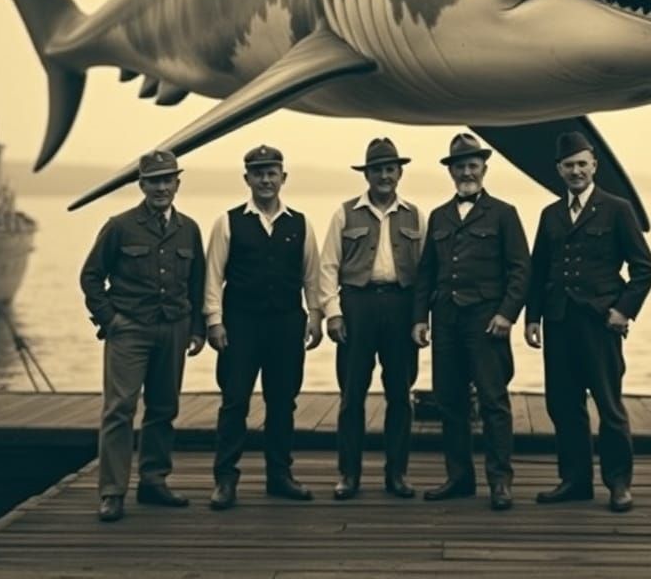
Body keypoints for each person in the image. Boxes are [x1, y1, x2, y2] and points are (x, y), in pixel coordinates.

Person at [525, 131, 651, 513]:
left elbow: (644, 269)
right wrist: (532, 317)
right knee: (563, 405)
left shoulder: (618, 209)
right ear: (558, 171)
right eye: (569, 166)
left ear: (594, 166)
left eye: (582, 164)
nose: (576, 171)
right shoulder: (550, 214)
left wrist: (623, 310)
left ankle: (618, 483)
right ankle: (575, 480)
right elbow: (539, 271)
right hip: (558, 321)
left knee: (609, 405)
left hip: (600, 323)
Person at [80, 149, 206, 523]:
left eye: (168, 180)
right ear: (142, 184)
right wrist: (110, 319)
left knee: (164, 407)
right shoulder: (119, 226)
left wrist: (197, 328)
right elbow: (90, 276)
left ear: (177, 183)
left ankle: (153, 480)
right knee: (119, 409)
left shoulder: (189, 229)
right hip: (129, 329)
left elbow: (197, 282)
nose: (162, 187)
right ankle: (112, 492)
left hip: (174, 328)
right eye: (154, 181)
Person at [413, 133, 531, 511]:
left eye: (473, 165)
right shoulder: (439, 216)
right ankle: (459, 478)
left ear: (484, 168)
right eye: (460, 166)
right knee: (450, 402)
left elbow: (520, 270)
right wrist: (420, 319)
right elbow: (426, 273)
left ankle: (500, 482)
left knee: (494, 402)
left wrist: (507, 314)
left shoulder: (504, 213)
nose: (467, 171)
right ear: (451, 172)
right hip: (445, 321)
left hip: (486, 322)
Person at [205, 144, 324, 509]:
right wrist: (214, 321)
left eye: (272, 173)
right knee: (234, 400)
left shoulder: (300, 223)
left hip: (287, 323)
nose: (266, 179)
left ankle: (280, 476)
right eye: (259, 173)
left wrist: (316, 316)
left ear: (283, 178)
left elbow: (312, 276)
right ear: (247, 179)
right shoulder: (228, 221)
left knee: (282, 402)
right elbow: (213, 277)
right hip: (240, 323)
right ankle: (225, 479)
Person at [319, 137, 425, 501]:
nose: (384, 175)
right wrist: (332, 313)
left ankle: (397, 474)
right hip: (356, 306)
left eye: (390, 169)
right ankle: (349, 475)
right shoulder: (344, 212)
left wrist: (420, 318)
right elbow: (328, 266)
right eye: (377, 169)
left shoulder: (415, 215)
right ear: (366, 174)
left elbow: (426, 272)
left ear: (399, 173)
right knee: (352, 395)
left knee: (400, 393)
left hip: (401, 305)